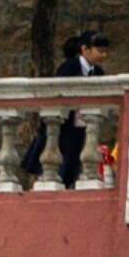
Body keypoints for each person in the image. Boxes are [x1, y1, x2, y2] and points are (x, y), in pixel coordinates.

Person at [52, 29, 111, 185]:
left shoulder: (97, 71)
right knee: (64, 155)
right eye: (100, 51)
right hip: (66, 122)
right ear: (85, 49)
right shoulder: (69, 67)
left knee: (77, 156)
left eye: (105, 52)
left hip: (84, 121)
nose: (103, 56)